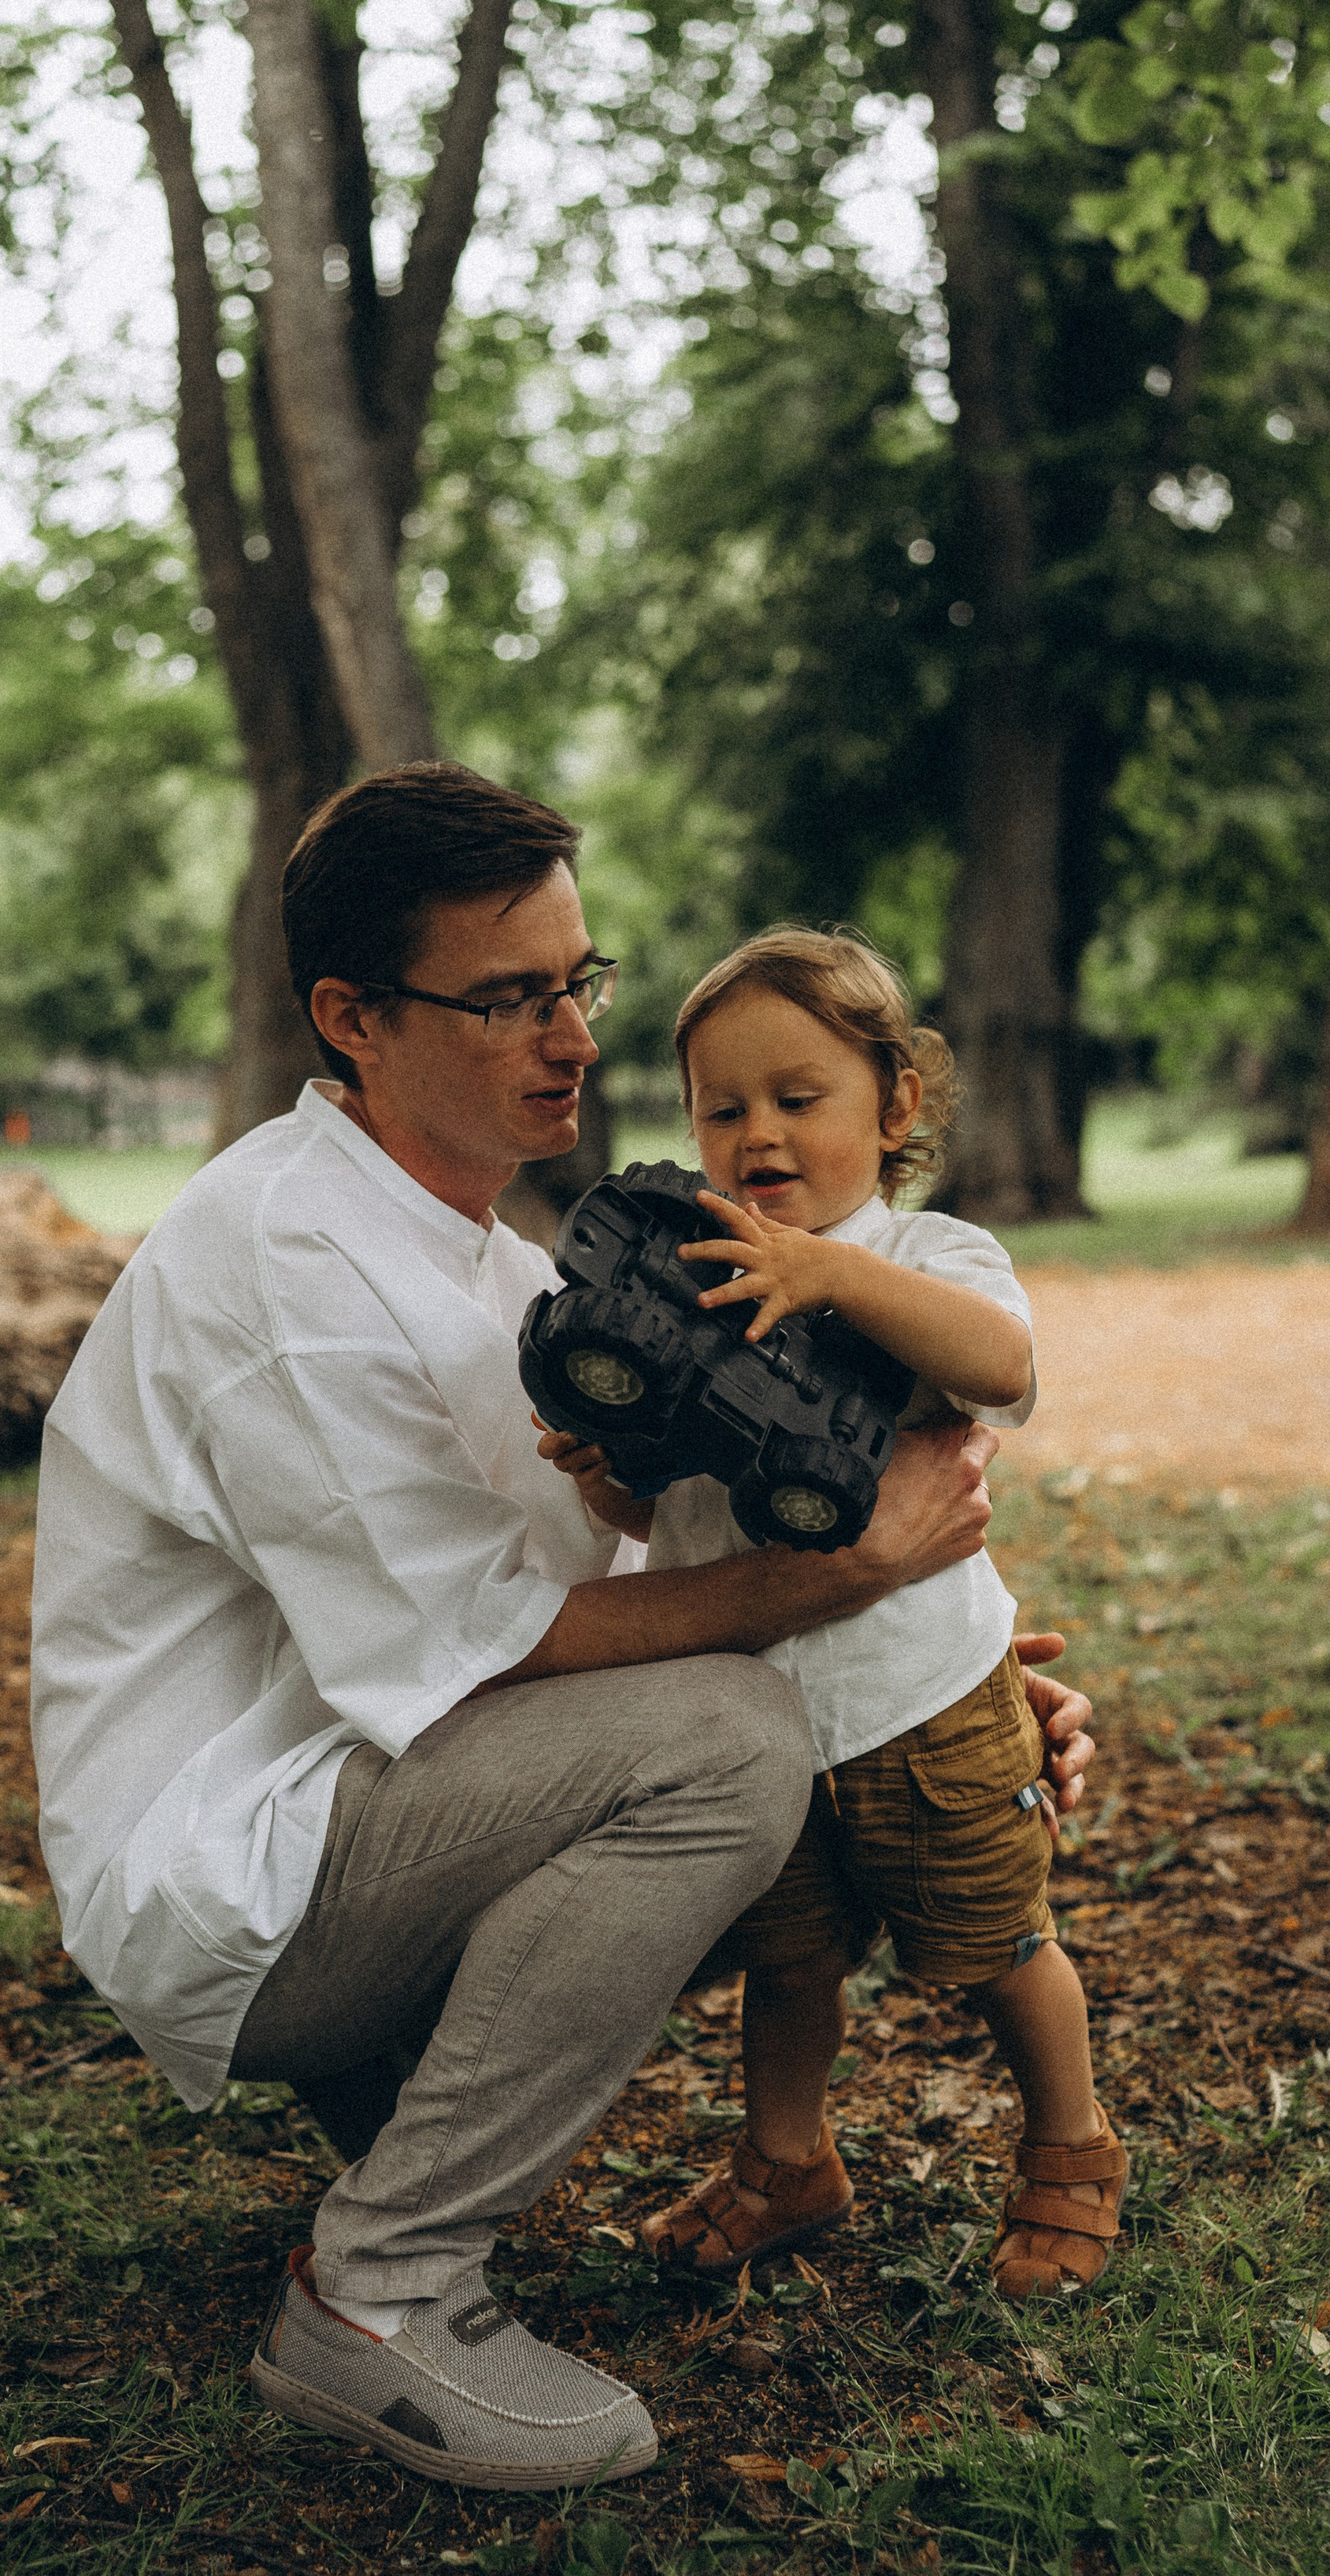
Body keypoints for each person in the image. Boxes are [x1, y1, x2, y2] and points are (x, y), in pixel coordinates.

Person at [31, 766, 1095, 2496]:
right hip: (245, 1875)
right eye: (509, 998)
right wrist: (854, 1582)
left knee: (755, 1725)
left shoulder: (507, 1264)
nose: (573, 1039)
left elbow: (642, 1565)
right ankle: (374, 2292)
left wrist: (947, 1675)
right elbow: (499, 1653)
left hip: (363, 1797)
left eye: (576, 984)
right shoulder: (290, 1266)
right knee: (730, 1745)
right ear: (351, 1020)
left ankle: (393, 2123)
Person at [542, 928, 1124, 2300]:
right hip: (767, 1725)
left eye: (799, 1099)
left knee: (997, 1943)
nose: (759, 1136)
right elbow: (685, 1531)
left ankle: (1071, 2146)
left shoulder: (925, 1251)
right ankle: (788, 2161)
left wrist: (833, 1276)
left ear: (896, 1104)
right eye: (721, 1109)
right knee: (789, 1960)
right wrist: (613, 1479)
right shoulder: (681, 1279)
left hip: (926, 1701)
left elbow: (1004, 1364)